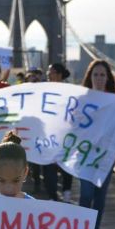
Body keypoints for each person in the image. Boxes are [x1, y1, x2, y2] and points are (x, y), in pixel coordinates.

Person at [78, 59, 115, 229]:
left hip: (105, 157)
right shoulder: (82, 99)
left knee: (100, 196)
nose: (99, 78)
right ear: (89, 77)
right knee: (86, 194)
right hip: (85, 156)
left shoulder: (114, 100)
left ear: (107, 78)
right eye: (95, 74)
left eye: (102, 75)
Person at [43, 63, 74, 202]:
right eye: (48, 72)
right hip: (48, 135)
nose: (49, 74)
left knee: (66, 164)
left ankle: (67, 190)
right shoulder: (43, 91)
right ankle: (52, 196)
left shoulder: (70, 91)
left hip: (65, 134)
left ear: (60, 74)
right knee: (48, 165)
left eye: (52, 72)